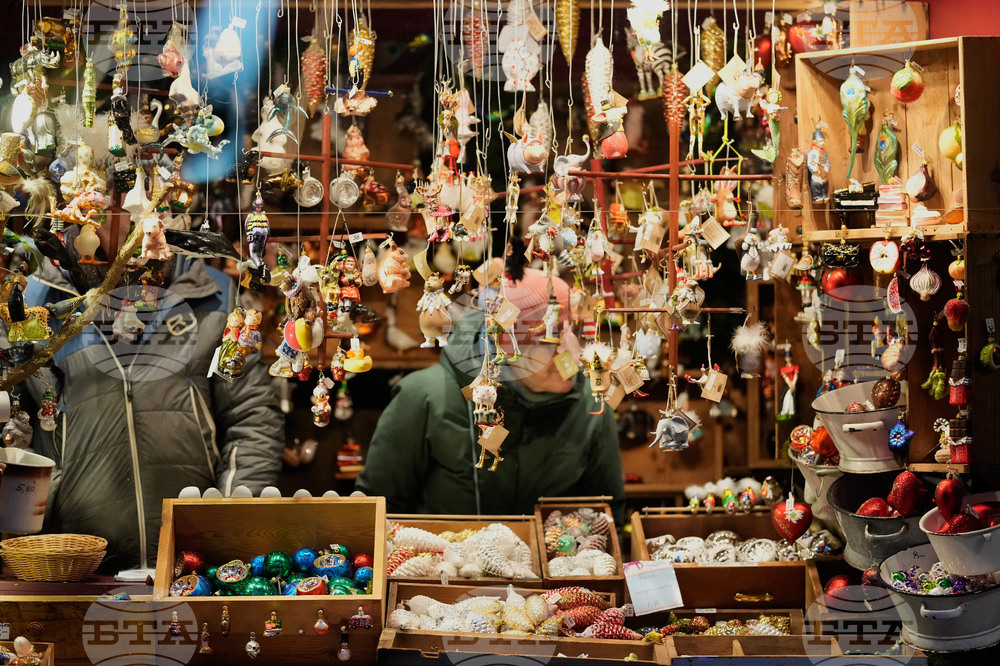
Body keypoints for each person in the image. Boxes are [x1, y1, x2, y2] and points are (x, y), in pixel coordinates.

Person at [12, 236, 283, 575]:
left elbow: (252, 416)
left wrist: (229, 519)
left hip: (197, 562)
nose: (121, 213)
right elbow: (11, 425)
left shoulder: (213, 294)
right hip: (71, 560)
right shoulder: (32, 304)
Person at [356, 263, 625, 526]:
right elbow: (379, 512)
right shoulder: (425, 397)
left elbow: (607, 518)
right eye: (549, 340)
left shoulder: (593, 407)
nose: (571, 352)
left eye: (575, 333)